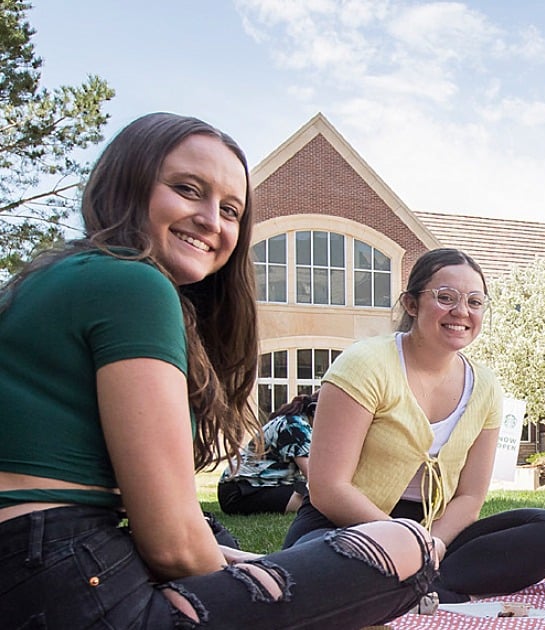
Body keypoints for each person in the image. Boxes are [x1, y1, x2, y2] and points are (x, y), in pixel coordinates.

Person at [0, 113, 435, 628]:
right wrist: (273, 586)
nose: (212, 220)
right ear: (126, 183)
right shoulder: (133, 284)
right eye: (187, 189)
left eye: (231, 210)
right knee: (406, 545)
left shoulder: (59, 278)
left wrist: (255, 570)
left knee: (219, 538)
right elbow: (171, 546)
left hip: (39, 568)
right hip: (62, 579)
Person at [282, 248, 545, 605]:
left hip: (437, 536)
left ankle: (410, 587)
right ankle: (427, 588)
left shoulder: (485, 387)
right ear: (411, 304)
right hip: (346, 525)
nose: (462, 312)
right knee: (321, 558)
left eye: (475, 301)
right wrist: (406, 542)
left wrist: (432, 544)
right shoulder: (364, 365)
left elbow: (470, 497)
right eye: (445, 297)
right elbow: (328, 488)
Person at [218, 391, 316, 515]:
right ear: (314, 410)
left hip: (247, 486)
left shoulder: (296, 422)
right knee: (314, 502)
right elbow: (313, 477)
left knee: (313, 497)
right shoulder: (295, 426)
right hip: (241, 490)